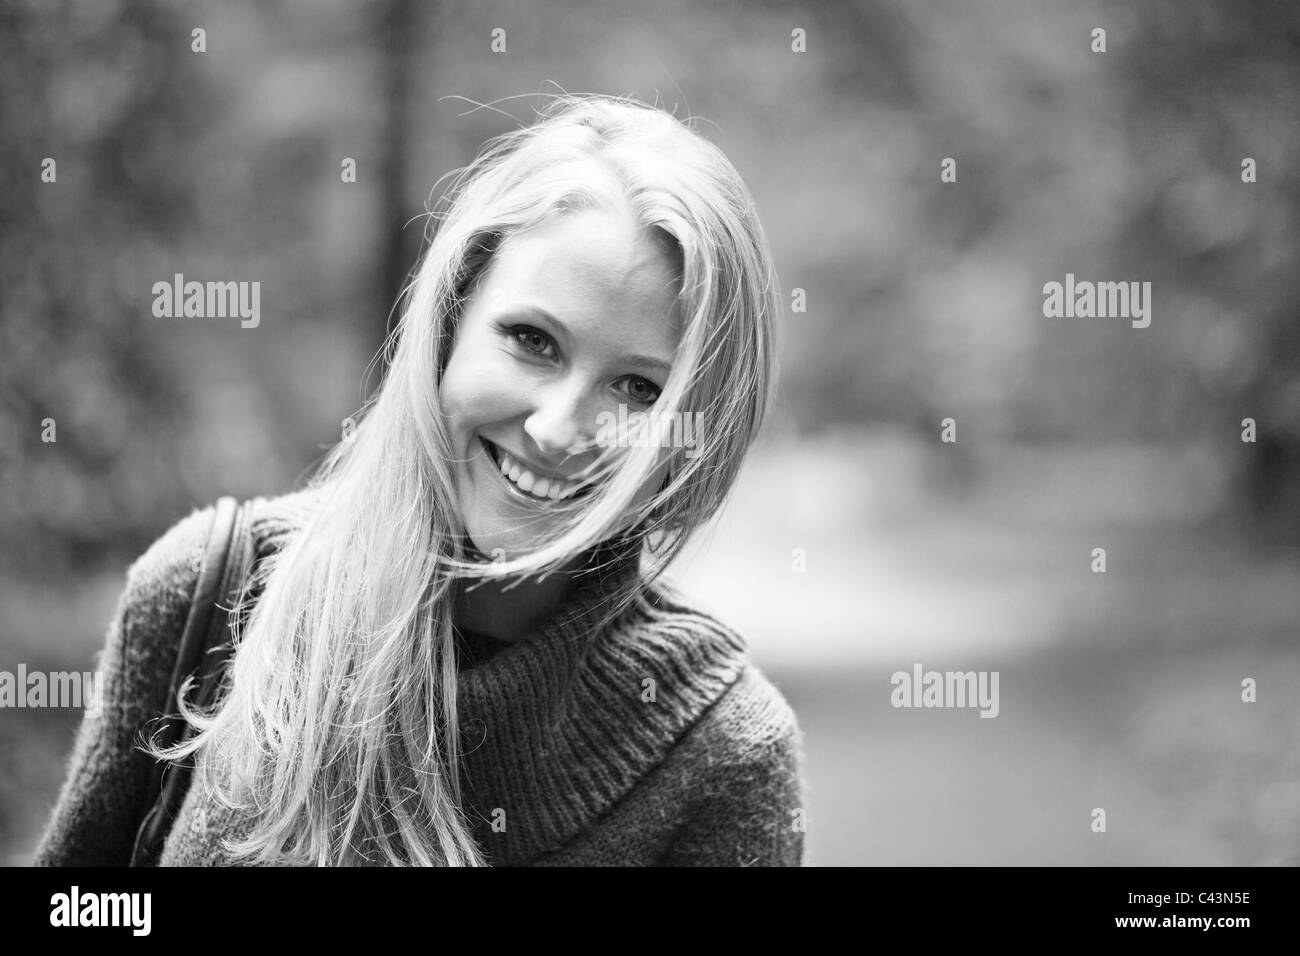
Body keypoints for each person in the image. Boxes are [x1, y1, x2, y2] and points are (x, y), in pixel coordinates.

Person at [32, 94, 805, 867]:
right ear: (450, 323)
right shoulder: (208, 592)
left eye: (639, 389)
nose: (555, 429)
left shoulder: (723, 757)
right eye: (532, 341)